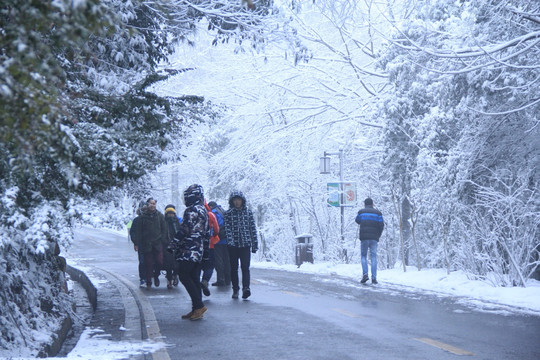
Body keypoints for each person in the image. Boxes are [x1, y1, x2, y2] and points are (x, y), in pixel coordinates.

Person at [167, 184, 210, 320]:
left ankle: (199, 306)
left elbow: (185, 229)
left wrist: (173, 244)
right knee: (194, 278)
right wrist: (206, 251)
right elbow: (207, 232)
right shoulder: (203, 210)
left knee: (184, 275)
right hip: (199, 250)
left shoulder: (191, 210)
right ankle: (196, 309)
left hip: (189, 250)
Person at [224, 191, 258, 299]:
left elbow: (252, 228)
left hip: (245, 244)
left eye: (238, 199)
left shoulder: (248, 212)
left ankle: (246, 288)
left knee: (245, 267)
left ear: (242, 200)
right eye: (234, 200)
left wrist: (254, 244)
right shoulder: (228, 213)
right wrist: (231, 242)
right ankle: (235, 289)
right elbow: (227, 229)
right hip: (233, 246)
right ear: (232, 201)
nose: (237, 202)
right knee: (233, 268)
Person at [131, 198, 167, 289]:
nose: (152, 205)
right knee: (147, 263)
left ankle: (156, 275)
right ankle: (148, 282)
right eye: (151, 203)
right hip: (146, 244)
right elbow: (138, 231)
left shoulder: (160, 216)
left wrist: (163, 240)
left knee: (159, 262)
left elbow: (164, 229)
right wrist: (136, 243)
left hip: (157, 244)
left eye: (154, 203)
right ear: (148, 205)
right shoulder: (142, 217)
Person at [355, 197, 384, 284]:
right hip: (374, 238)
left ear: (365, 204)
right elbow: (381, 225)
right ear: (372, 204)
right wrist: (378, 235)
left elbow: (357, 220)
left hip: (364, 237)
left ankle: (365, 274)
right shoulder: (378, 213)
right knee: (373, 257)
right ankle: (374, 278)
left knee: (363, 256)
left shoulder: (361, 212)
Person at [208, 201, 231, 287]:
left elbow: (214, 226)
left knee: (219, 260)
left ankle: (220, 280)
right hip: (226, 239)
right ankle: (228, 279)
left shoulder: (213, 213)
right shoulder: (222, 210)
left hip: (218, 240)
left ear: (210, 206)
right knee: (227, 260)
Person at [200, 200, 220, 296]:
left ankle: (195, 286)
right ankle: (205, 281)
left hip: (196, 246)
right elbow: (216, 230)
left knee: (197, 266)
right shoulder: (211, 215)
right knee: (210, 266)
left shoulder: (191, 213)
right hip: (209, 245)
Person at [129, 201, 147, 287]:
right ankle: (143, 278)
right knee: (143, 261)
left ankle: (149, 277)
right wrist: (136, 243)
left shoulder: (153, 219)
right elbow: (133, 232)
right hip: (141, 244)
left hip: (152, 244)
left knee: (150, 261)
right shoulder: (136, 220)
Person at [164, 204, 181, 289]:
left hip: (176, 246)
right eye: (169, 213)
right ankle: (169, 280)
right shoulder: (163, 222)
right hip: (166, 246)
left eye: (172, 213)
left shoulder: (177, 222)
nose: (170, 215)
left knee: (177, 264)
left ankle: (175, 275)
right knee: (168, 264)